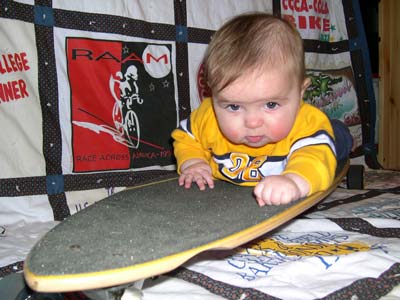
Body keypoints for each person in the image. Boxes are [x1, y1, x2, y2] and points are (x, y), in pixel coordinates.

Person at [171, 13, 352, 206]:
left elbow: (315, 159)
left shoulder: (306, 126)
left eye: (271, 105)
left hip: (320, 138)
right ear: (213, 95)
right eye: (234, 106)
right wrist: (193, 162)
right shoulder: (208, 116)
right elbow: (186, 138)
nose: (252, 122)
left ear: (300, 93)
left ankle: (339, 134)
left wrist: (294, 181)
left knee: (331, 138)